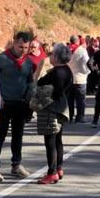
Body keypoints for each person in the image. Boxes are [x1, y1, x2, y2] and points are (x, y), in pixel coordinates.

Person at [0, 32, 35, 183]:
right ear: (13, 43)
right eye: (20, 46)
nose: (23, 50)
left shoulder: (28, 63)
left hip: (20, 104)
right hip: (3, 104)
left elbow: (30, 82)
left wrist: (30, 98)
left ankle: (16, 164)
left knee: (18, 135)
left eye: (26, 47)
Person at [35, 43, 73, 184]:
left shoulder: (55, 73)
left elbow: (39, 83)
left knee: (50, 141)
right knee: (58, 140)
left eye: (52, 54)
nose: (50, 56)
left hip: (51, 109)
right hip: (63, 108)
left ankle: (51, 173)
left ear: (56, 57)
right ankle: (59, 168)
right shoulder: (68, 71)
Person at [67, 35, 90, 123]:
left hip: (69, 76)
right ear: (78, 41)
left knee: (70, 99)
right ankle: (80, 117)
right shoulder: (81, 50)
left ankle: (69, 115)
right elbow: (86, 62)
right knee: (80, 99)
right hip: (80, 77)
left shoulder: (66, 49)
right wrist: (86, 72)